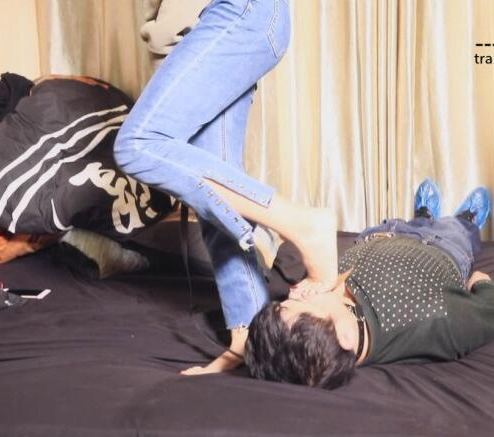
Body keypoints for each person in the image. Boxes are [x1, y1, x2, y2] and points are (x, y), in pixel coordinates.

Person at [114, 0, 338, 375]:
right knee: (216, 197)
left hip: (237, 12)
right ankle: (246, 336)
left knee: (137, 145)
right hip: (206, 29)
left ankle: (302, 224)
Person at [244, 180, 494, 389]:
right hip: (440, 244)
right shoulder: (433, 319)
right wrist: (482, 283)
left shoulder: (333, 312)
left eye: (287, 300)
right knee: (455, 228)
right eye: (300, 302)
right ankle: (467, 220)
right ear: (344, 336)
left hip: (378, 234)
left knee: (415, 221)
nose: (294, 290)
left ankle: (423, 215)